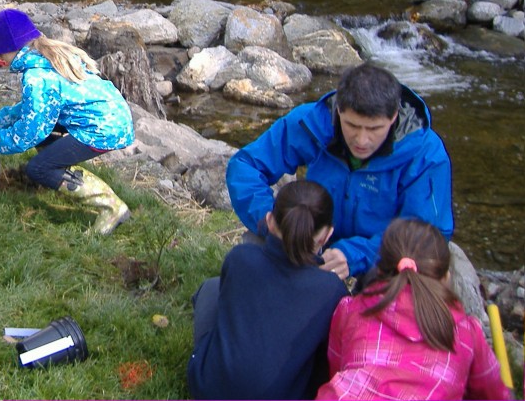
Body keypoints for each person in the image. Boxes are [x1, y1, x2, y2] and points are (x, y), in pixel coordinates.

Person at [226, 62, 453, 280]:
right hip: (312, 238)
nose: (362, 140)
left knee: (423, 272)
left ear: (393, 117)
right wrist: (276, 223)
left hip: (381, 254)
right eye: (352, 126)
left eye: (374, 129)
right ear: (338, 110)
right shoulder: (314, 122)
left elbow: (427, 232)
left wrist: (356, 255)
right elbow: (245, 166)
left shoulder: (425, 154)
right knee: (256, 247)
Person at [188, 180, 349, 400]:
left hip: (208, 390)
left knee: (211, 289)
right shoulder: (332, 290)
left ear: (270, 221)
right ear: (326, 235)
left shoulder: (241, 257)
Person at [316, 218, 510, 400]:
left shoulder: (350, 310)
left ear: (380, 270)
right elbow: (493, 393)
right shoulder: (466, 331)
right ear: (445, 277)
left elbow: (336, 368)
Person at [0, 8, 133, 235]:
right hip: (110, 115)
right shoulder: (47, 56)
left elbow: (27, 134)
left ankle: (111, 207)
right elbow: (32, 110)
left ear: (12, 47)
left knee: (39, 168)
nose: (0, 58)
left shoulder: (37, 77)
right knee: (45, 141)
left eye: (0, 52)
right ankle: (60, 169)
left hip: (103, 128)